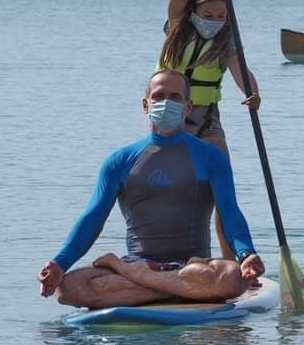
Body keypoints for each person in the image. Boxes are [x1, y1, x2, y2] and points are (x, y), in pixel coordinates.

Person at [37, 69, 266, 309]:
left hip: (192, 265)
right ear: (145, 105)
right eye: (159, 96)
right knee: (68, 287)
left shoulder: (210, 156)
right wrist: (60, 264)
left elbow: (229, 212)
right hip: (147, 264)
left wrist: (246, 254)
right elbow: (93, 218)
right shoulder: (120, 160)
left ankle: (138, 282)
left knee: (232, 277)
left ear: (188, 107)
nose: (166, 103)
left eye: (175, 97)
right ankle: (181, 290)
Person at [157, 0, 260, 260]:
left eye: (221, 16)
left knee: (222, 191)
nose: (215, 21)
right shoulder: (178, 24)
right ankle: (170, 258)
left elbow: (240, 71)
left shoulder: (225, 39)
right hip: (170, 115)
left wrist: (253, 93)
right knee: (172, 189)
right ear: (192, 10)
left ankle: (231, 262)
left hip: (207, 118)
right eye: (208, 15)